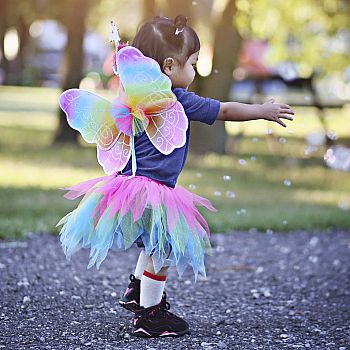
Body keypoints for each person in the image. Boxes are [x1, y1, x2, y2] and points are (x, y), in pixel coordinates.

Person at [57, 15, 294, 338]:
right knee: (164, 246)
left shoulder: (130, 100)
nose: (195, 72)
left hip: (127, 186)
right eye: (193, 64)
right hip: (154, 190)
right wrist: (261, 111)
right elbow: (223, 110)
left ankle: (138, 290)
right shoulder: (177, 100)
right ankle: (150, 316)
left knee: (154, 243)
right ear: (169, 66)